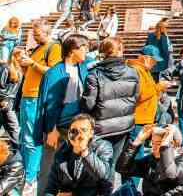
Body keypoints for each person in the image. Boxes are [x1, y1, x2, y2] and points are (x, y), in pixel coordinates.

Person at [34, 34, 89, 194]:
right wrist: (51, 129)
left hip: (76, 126)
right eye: (83, 48)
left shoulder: (82, 68)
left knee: (73, 169)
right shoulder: (54, 73)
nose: (87, 52)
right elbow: (48, 104)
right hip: (58, 127)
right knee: (49, 168)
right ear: (73, 50)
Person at [18, 20, 62, 191]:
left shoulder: (54, 47)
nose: (35, 38)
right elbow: (29, 72)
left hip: (37, 98)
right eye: (33, 35)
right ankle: (24, 173)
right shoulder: (37, 49)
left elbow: (52, 72)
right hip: (27, 96)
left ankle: (30, 176)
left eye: (38, 35)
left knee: (31, 138)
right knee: (24, 137)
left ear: (47, 32)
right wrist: (24, 65)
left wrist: (32, 63)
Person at [82, 36, 140, 163]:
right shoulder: (133, 72)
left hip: (100, 127)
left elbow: (88, 104)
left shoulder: (94, 74)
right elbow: (135, 98)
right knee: (111, 165)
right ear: (120, 51)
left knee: (97, 166)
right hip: (123, 125)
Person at [117, 124, 183, 196]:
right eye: (153, 143)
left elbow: (170, 174)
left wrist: (164, 146)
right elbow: (122, 168)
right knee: (124, 189)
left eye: (158, 144)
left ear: (173, 144)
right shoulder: (151, 159)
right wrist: (135, 144)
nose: (153, 147)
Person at [44, 114, 114, 196]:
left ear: (91, 133)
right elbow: (51, 187)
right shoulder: (62, 152)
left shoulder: (103, 147)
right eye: (74, 131)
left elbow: (103, 176)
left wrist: (84, 151)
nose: (78, 135)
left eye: (83, 130)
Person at [0, 48, 22, 148]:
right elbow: (1, 85)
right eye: (22, 56)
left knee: (10, 127)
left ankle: (15, 148)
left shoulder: (20, 69)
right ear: (16, 56)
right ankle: (17, 148)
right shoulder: (6, 68)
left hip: (13, 103)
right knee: (14, 127)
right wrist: (2, 100)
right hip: (6, 102)